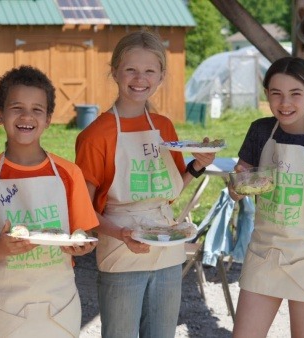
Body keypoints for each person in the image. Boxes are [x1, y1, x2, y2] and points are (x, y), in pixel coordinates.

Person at [74, 30, 216, 338]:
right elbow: (83, 209)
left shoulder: (164, 127)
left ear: (162, 76)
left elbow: (171, 190)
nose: (140, 79)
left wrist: (197, 165)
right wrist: (122, 234)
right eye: (131, 70)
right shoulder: (96, 135)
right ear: (115, 72)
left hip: (168, 247)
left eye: (150, 70)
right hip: (120, 249)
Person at [0, 65, 99, 337]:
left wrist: (82, 246)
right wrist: (0, 248)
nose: (26, 116)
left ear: (48, 119)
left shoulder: (69, 174)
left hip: (59, 306)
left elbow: (85, 234)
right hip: (4, 309)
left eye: (37, 109)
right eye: (16, 107)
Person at [230, 57, 304, 337]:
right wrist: (239, 185)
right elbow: (237, 187)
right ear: (267, 96)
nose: (285, 103)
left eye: (295, 94)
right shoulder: (260, 130)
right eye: (276, 94)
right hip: (265, 251)